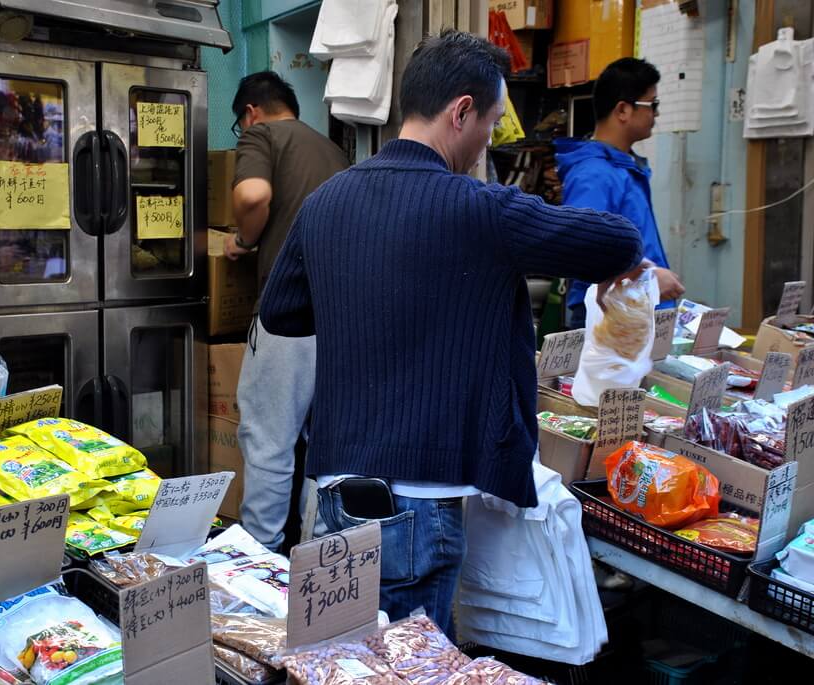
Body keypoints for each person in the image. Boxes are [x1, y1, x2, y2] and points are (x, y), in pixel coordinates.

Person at [259, 31, 645, 637]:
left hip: (333, 495)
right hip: (418, 506)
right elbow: (617, 241)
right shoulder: (482, 208)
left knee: (342, 663)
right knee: (414, 667)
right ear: (461, 110)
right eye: (490, 123)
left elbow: (280, 311)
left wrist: (359, 306)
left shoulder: (325, 203)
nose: (487, 141)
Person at [223, 71, 349, 551]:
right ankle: (316, 556)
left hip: (287, 313)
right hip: (339, 317)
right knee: (323, 448)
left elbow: (253, 195)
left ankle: (260, 559)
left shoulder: (261, 135)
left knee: (270, 443)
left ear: (251, 112)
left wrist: (243, 239)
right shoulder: (334, 151)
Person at [556, 57, 685, 329]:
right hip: (609, 320)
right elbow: (582, 250)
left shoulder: (624, 168)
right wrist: (649, 278)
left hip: (634, 313)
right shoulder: (594, 174)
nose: (656, 115)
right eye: (653, 105)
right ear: (623, 110)